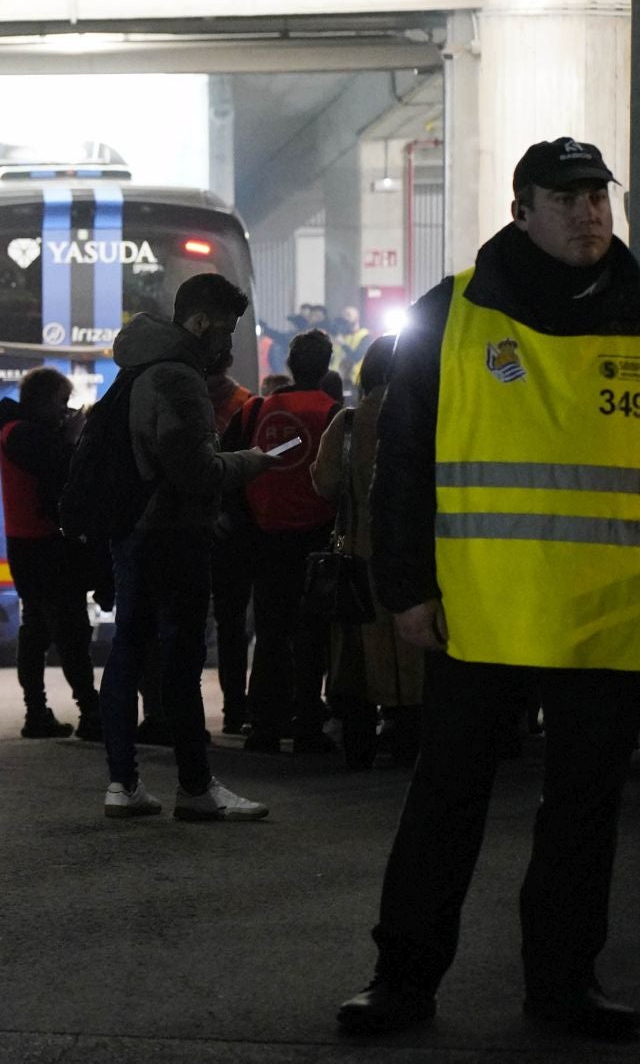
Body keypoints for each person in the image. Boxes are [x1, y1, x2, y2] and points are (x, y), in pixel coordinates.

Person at [337, 137, 640, 1041]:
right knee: (446, 803)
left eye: (599, 195)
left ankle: (562, 986)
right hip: (480, 609)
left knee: (584, 815)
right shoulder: (454, 311)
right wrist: (406, 587)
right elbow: (402, 462)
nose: (590, 211)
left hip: (611, 616)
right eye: (567, 196)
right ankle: (403, 980)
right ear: (521, 209)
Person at [95, 273, 272, 821]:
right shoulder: (180, 379)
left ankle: (123, 784)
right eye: (226, 328)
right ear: (200, 321)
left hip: (133, 533)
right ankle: (195, 787)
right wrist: (251, 463)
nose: (228, 342)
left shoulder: (136, 368)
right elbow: (193, 469)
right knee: (182, 658)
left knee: (128, 652)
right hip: (173, 536)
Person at [224, 327, 341, 755]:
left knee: (270, 635)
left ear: (288, 364)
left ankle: (264, 727)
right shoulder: (333, 414)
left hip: (263, 535)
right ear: (327, 365)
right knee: (311, 636)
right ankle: (307, 724)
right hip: (316, 538)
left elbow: (229, 466)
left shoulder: (256, 410)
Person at [310, 334, 416, 769]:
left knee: (354, 660)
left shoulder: (348, 423)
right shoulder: (424, 417)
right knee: (413, 658)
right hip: (412, 556)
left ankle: (358, 744)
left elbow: (325, 483)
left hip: (355, 557)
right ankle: (409, 739)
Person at [0, 369, 101, 741]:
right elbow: (57, 467)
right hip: (43, 547)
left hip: (29, 546)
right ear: (46, 398)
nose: (63, 410)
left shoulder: (16, 430)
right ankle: (90, 711)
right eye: (61, 402)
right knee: (70, 632)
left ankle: (37, 711)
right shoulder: (22, 434)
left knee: (37, 629)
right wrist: (72, 436)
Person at [206, 349, 255, 735]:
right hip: (237, 529)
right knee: (235, 625)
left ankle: (230, 707)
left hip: (195, 526)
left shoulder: (182, 401)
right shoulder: (248, 404)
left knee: (214, 624)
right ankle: (236, 708)